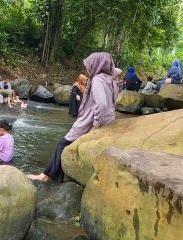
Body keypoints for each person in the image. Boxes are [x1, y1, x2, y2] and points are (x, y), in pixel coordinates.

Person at [27, 52, 119, 182]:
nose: (88, 68)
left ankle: (46, 176)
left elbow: (102, 104)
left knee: (61, 144)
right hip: (109, 119)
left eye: (90, 65)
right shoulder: (111, 78)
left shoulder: (98, 80)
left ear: (97, 64)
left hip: (90, 120)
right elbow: (113, 100)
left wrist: (96, 124)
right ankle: (56, 176)